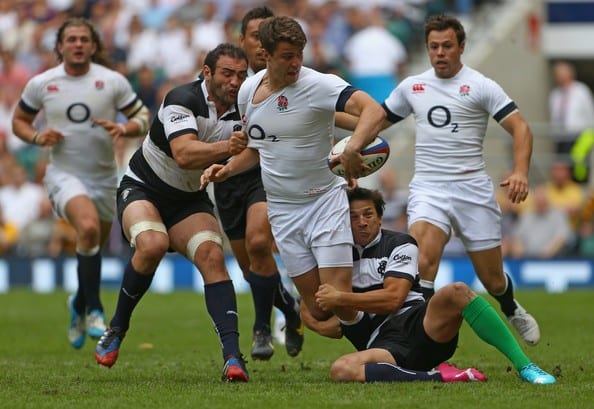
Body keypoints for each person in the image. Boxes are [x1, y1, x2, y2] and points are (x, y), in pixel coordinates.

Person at [201, 16, 387, 339]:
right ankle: (369, 326)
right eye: (287, 56)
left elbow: (374, 110)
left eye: (299, 54)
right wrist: (227, 168)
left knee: (339, 301)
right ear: (266, 54)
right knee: (318, 310)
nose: (296, 63)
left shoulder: (319, 85)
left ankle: (389, 339)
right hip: (283, 212)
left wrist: (353, 147)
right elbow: (258, 149)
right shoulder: (247, 92)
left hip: (325, 202)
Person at [378, 14, 541, 346]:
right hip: (429, 187)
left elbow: (521, 128)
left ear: (462, 47)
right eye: (434, 46)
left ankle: (510, 306)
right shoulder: (413, 86)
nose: (440, 53)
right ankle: (421, 340)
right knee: (422, 261)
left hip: (472, 190)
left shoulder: (481, 86)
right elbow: (376, 120)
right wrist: (343, 136)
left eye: (447, 46)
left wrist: (520, 171)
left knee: (492, 279)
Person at [93, 43, 250, 382]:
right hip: (143, 187)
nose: (235, 82)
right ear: (207, 72)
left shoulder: (248, 106)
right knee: (152, 245)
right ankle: (118, 326)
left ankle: (233, 358)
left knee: (212, 255)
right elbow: (184, 154)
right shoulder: (182, 98)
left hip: (189, 199)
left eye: (241, 75)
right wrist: (228, 147)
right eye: (227, 74)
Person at [304, 187, 556, 385]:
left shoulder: (400, 244)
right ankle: (439, 376)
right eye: (353, 217)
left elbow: (393, 299)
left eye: (368, 215)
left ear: (380, 218)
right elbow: (311, 305)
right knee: (342, 369)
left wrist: (340, 299)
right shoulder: (336, 256)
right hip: (381, 344)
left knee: (457, 291)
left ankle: (526, 366)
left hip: (420, 325)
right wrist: (320, 324)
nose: (361, 222)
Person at [11, 17, 151, 350]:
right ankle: (94, 309)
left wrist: (125, 128)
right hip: (64, 174)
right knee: (86, 228)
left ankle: (77, 303)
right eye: (71, 39)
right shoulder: (43, 83)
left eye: (83, 39)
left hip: (104, 177)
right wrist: (37, 136)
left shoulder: (112, 82)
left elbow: (143, 117)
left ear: (93, 46)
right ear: (60, 46)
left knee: (92, 245)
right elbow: (19, 120)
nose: (77, 44)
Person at [212, 6, 304, 361]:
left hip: (268, 173)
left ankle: (261, 327)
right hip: (230, 176)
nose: (263, 44)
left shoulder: (288, 79)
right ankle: (290, 309)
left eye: (269, 37)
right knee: (252, 269)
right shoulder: (229, 79)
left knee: (259, 241)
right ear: (243, 40)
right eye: (256, 36)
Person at [548, 61, 594, 156]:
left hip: (579, 137)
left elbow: (590, 113)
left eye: (561, 74)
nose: (558, 77)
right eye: (556, 74)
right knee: (561, 163)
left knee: (577, 163)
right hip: (561, 138)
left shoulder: (581, 91)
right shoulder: (555, 94)